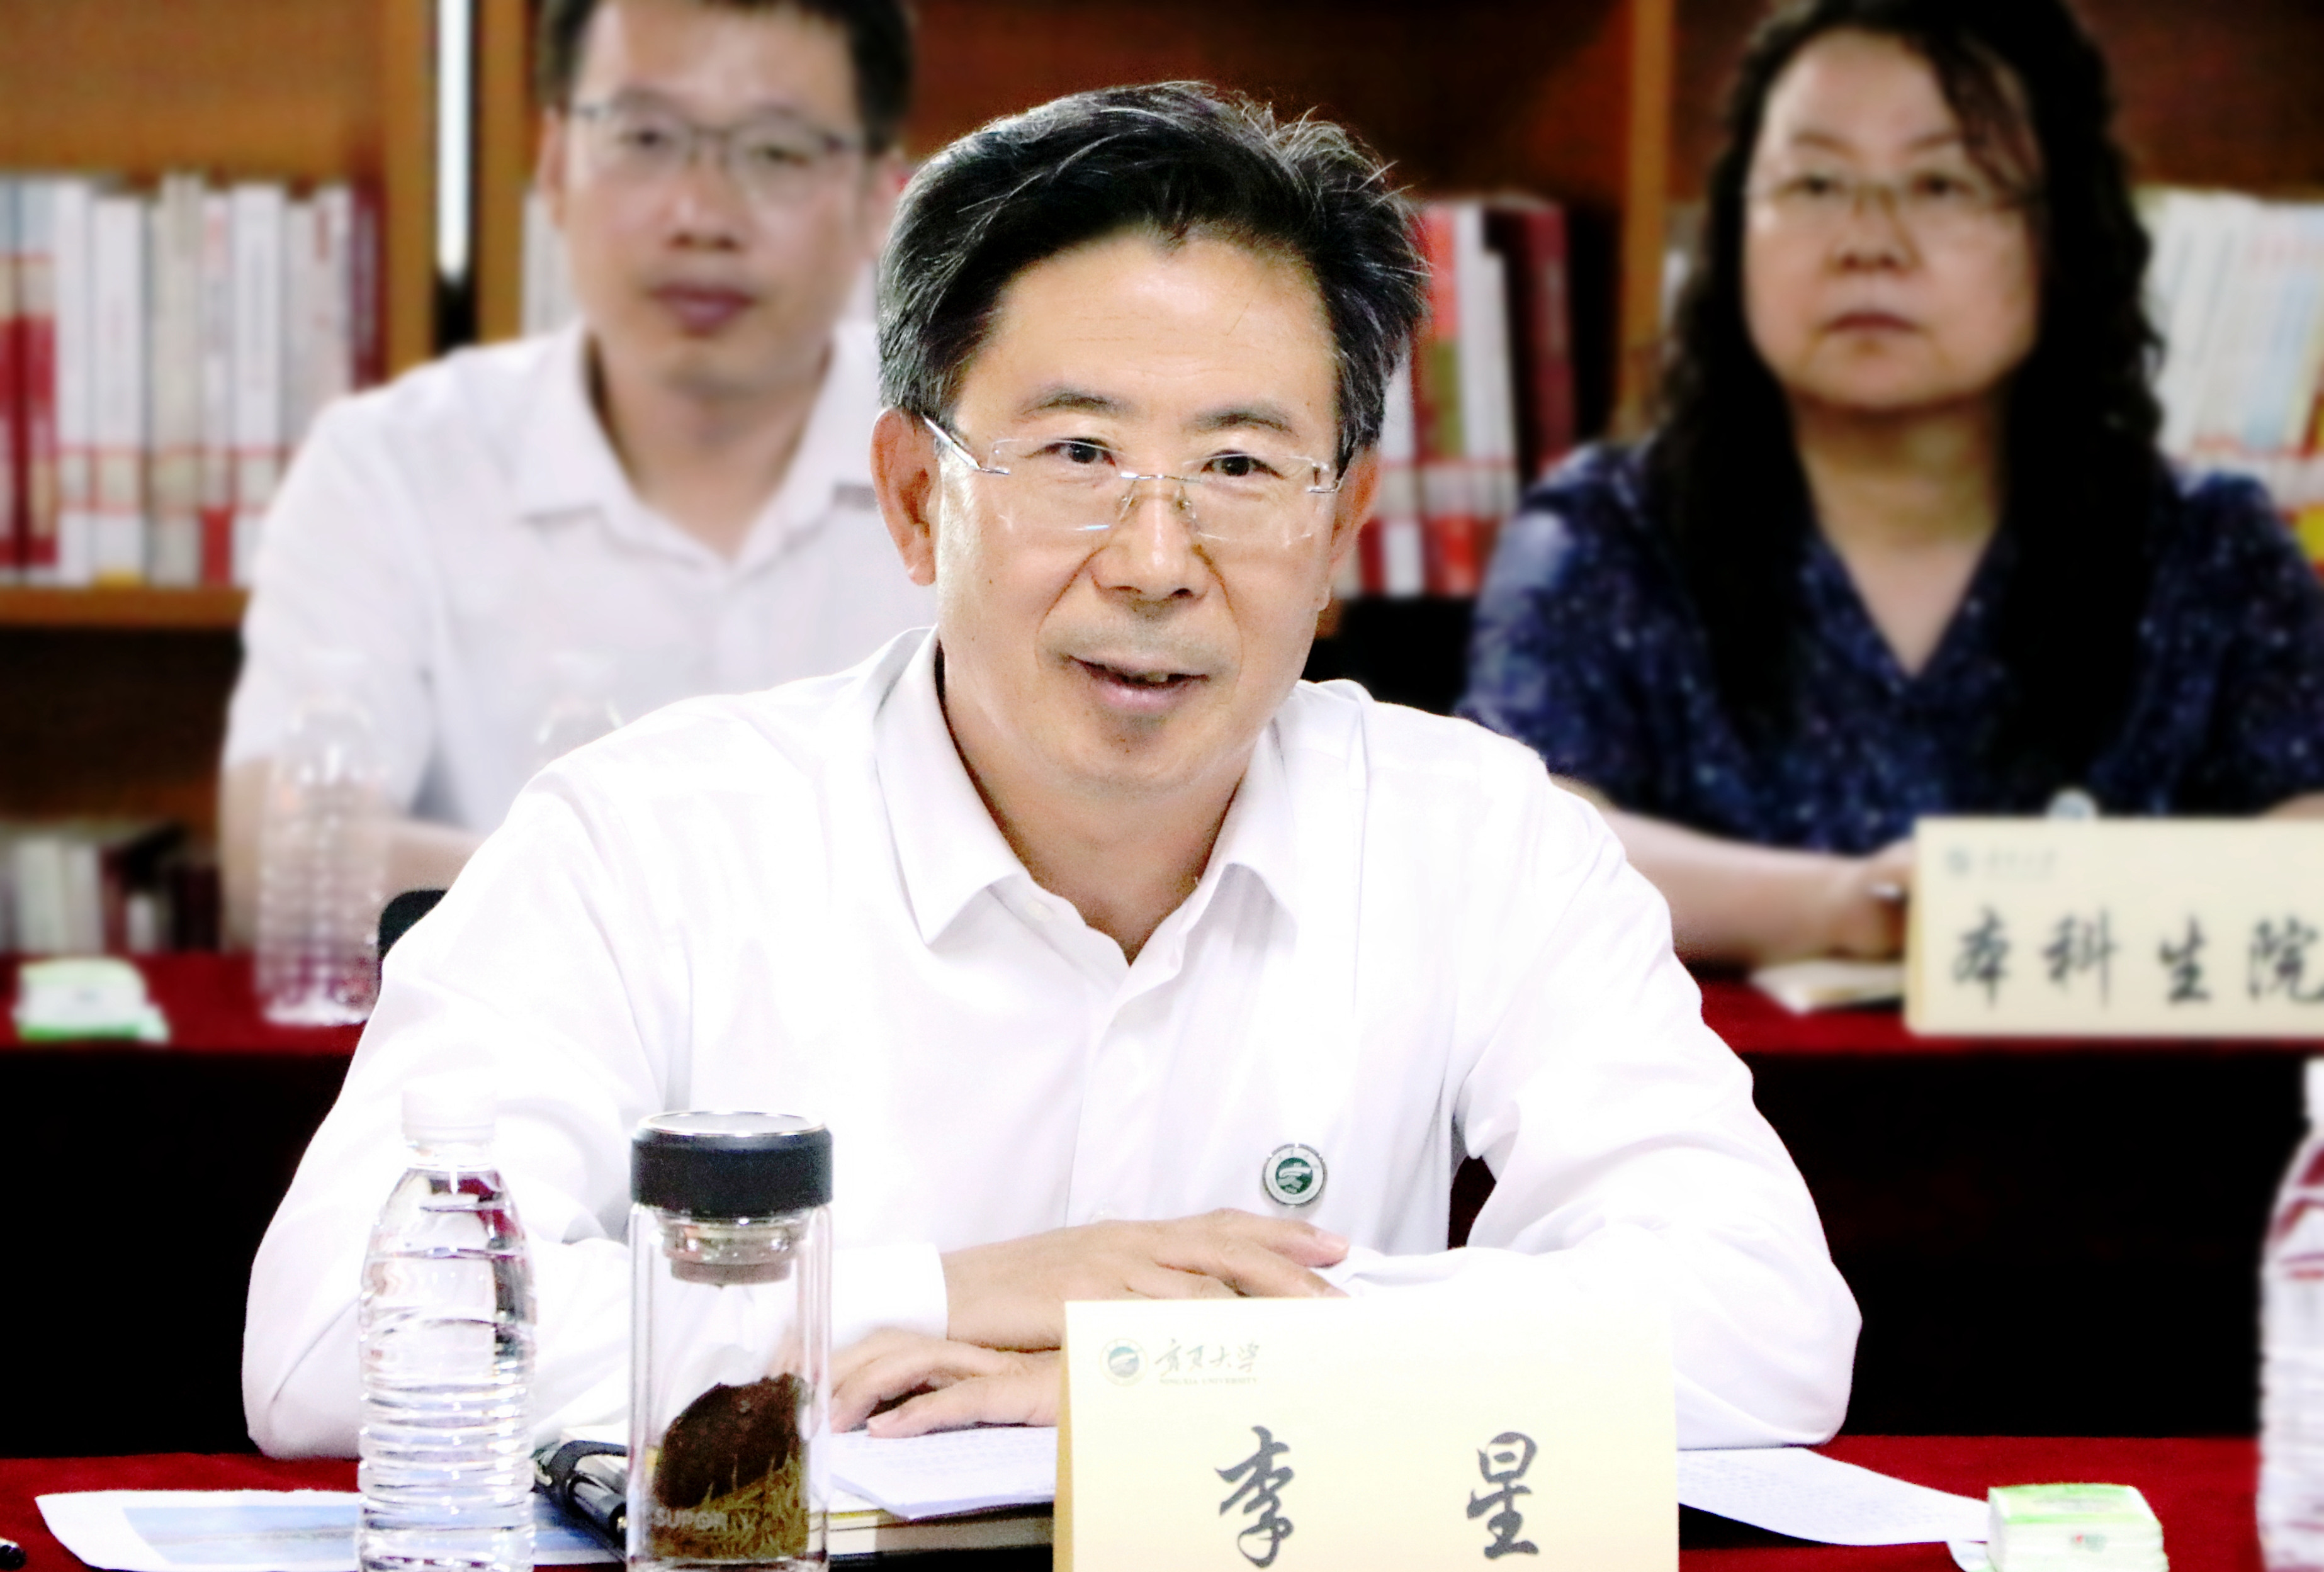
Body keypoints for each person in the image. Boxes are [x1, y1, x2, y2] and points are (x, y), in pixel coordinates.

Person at [244, 83, 1856, 1455]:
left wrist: (1182, 1372)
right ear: (913, 499)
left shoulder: (1477, 836)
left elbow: (1768, 1324)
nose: (1154, 561)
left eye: (1240, 466)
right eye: (1080, 454)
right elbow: (334, 1337)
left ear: (1338, 531)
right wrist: (959, 1293)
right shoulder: (648, 839)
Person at [1459, 0, 2324, 967]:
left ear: (2063, 234)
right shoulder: (1602, 535)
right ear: (1735, 230)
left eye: (1942, 183)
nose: (1869, 241)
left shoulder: (2211, 550)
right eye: (1816, 182)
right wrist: (1845, 907)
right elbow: (1522, 835)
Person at [218, 0, 933, 942]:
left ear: (882, 200)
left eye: (777, 152)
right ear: (556, 166)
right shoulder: (390, 465)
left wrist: (585, 904)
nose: (702, 217)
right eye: (646, 138)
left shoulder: (981, 471)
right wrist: (709, 918)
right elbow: (284, 859)